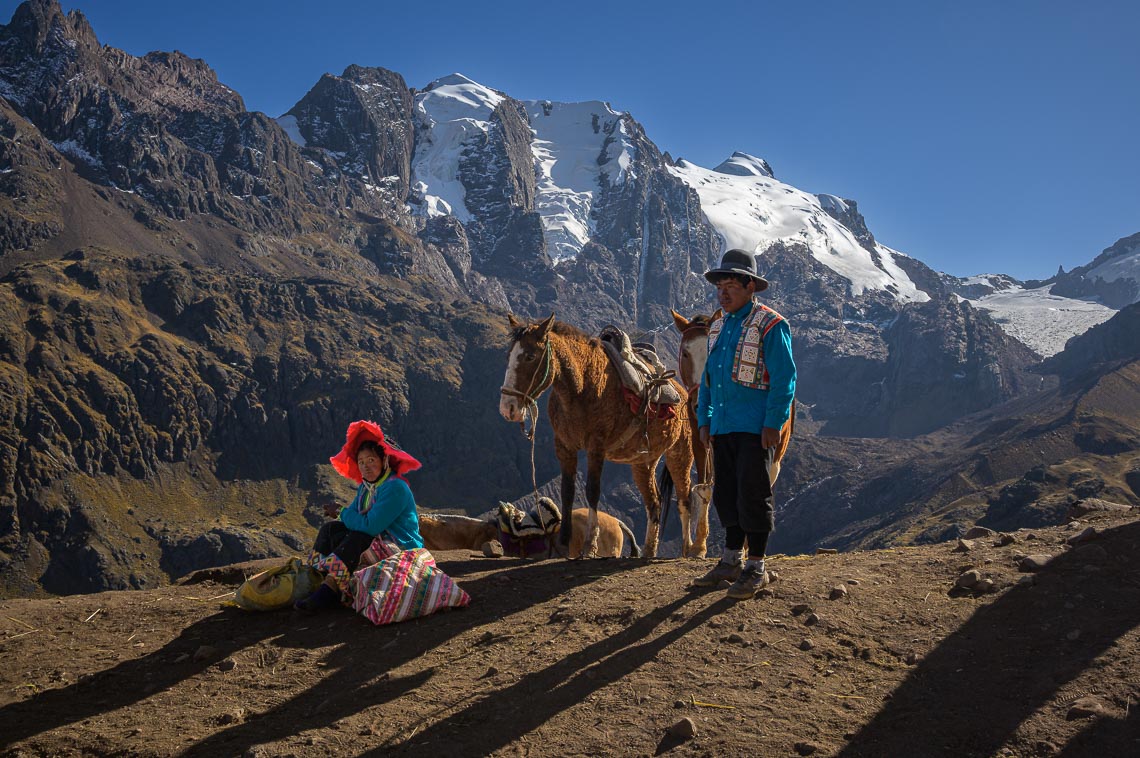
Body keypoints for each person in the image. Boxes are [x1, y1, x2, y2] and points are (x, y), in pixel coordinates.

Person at [691, 249, 796, 600]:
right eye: (720, 286)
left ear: (750, 286)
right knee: (726, 495)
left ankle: (756, 566)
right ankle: (730, 559)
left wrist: (773, 422)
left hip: (754, 427)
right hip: (722, 426)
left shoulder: (771, 325)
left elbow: (785, 379)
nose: (723, 292)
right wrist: (703, 419)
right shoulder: (718, 326)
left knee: (753, 495)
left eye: (731, 285)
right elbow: (708, 378)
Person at [295, 420, 424, 612]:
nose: (365, 466)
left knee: (359, 536)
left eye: (371, 460)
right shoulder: (366, 488)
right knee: (331, 529)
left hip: (401, 546)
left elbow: (370, 526)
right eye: (361, 462)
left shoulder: (395, 487)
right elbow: (353, 517)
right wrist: (343, 515)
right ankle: (316, 578)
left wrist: (340, 512)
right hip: (376, 540)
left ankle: (329, 590)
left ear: (385, 460)